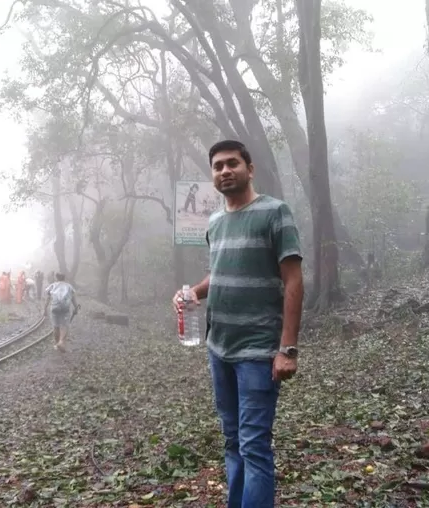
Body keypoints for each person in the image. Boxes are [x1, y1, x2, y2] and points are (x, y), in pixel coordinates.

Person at [172, 140, 303, 508]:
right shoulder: (215, 222)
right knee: (232, 441)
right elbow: (218, 273)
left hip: (258, 352)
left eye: (232, 163)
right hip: (220, 349)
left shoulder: (275, 212)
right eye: (217, 166)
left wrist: (287, 349)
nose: (224, 171)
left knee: (254, 446)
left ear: (250, 168)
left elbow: (293, 279)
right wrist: (192, 292)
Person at [44, 272, 79, 351]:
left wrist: (45, 309)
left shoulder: (52, 285)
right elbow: (73, 299)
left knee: (56, 326)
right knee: (64, 326)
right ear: (64, 278)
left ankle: (57, 345)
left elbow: (48, 299)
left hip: (55, 307)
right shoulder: (69, 286)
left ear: (56, 278)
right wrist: (76, 308)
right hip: (65, 308)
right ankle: (61, 342)